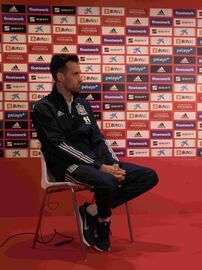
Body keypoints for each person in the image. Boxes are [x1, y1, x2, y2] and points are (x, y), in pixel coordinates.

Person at [32, 54, 158, 252]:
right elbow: (59, 146)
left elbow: (98, 138)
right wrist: (100, 167)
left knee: (148, 176)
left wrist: (112, 164)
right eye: (75, 74)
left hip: (98, 164)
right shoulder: (43, 108)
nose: (81, 78)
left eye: (80, 73)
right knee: (107, 181)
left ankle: (92, 211)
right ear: (60, 77)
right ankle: (104, 220)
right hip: (66, 166)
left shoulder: (83, 104)